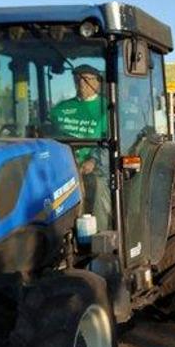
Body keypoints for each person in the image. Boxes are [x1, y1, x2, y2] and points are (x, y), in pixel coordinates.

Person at [49, 64, 111, 230]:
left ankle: (99, 232)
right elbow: (47, 132)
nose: (82, 84)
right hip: (63, 163)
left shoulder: (107, 108)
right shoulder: (61, 109)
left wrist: (92, 160)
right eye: (78, 80)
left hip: (93, 166)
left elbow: (109, 142)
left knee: (98, 185)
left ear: (97, 83)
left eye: (87, 80)